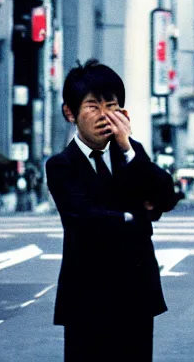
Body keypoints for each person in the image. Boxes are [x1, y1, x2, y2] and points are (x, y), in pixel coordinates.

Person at [46, 59, 180, 362]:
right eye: (93, 106)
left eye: (112, 105)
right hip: (87, 298)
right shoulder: (61, 165)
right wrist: (136, 215)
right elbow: (84, 220)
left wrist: (128, 148)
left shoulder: (130, 154)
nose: (105, 115)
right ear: (70, 112)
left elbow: (167, 196)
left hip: (136, 293)